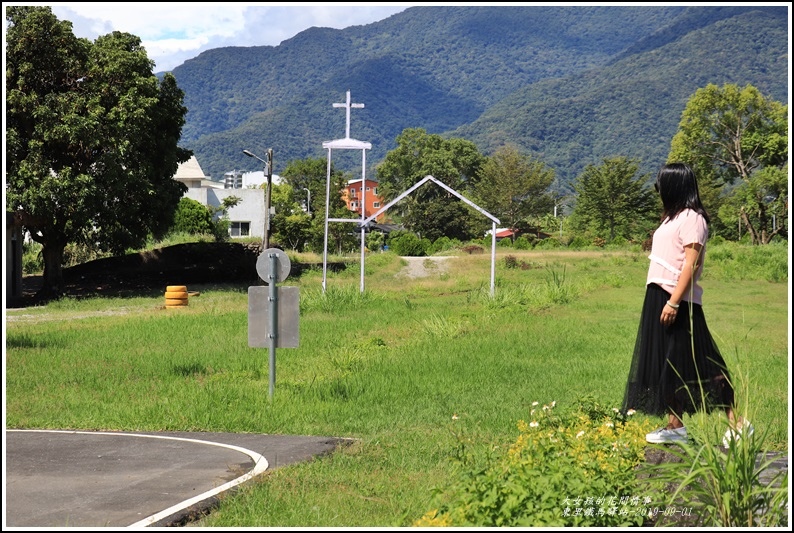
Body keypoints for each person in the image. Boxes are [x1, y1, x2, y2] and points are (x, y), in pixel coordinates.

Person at [622, 162, 752, 445]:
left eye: (662, 185)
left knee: (704, 363)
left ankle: (739, 424)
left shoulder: (693, 218)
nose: (659, 191)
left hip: (678, 300)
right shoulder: (672, 218)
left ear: (675, 186)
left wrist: (674, 302)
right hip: (659, 295)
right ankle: (675, 426)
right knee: (666, 365)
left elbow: (691, 265)